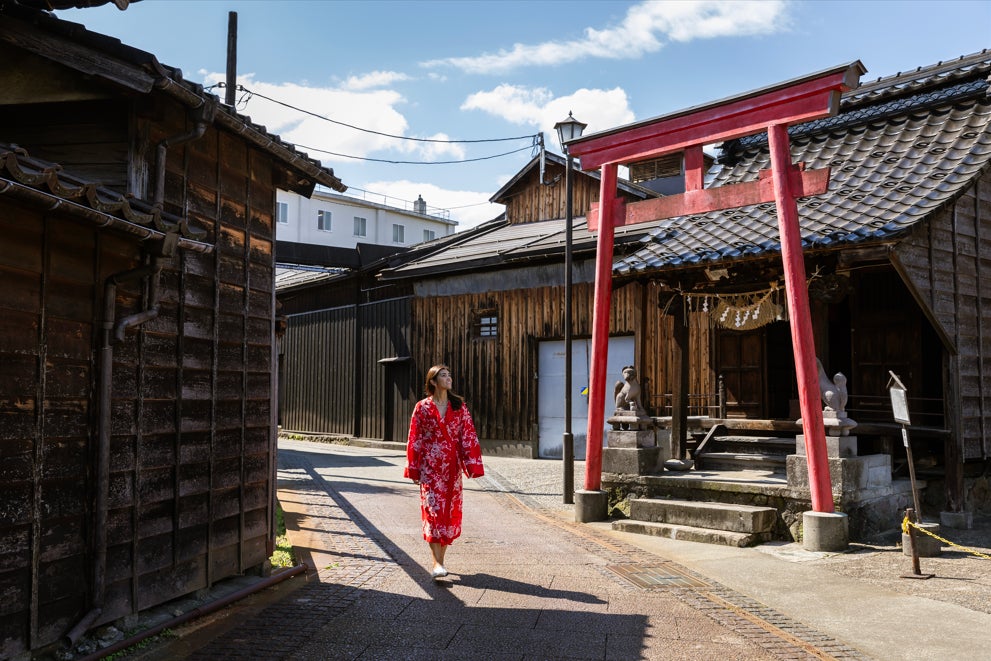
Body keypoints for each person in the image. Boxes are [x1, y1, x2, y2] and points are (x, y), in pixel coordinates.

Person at [404, 364, 484, 579]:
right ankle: (436, 562)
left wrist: (473, 465)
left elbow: (468, 436)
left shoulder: (459, 406)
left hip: (451, 468)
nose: (449, 378)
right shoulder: (422, 407)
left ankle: (442, 560)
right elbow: (415, 438)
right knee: (432, 512)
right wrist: (413, 468)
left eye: (449, 374)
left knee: (447, 513)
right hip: (429, 468)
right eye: (443, 375)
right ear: (433, 381)